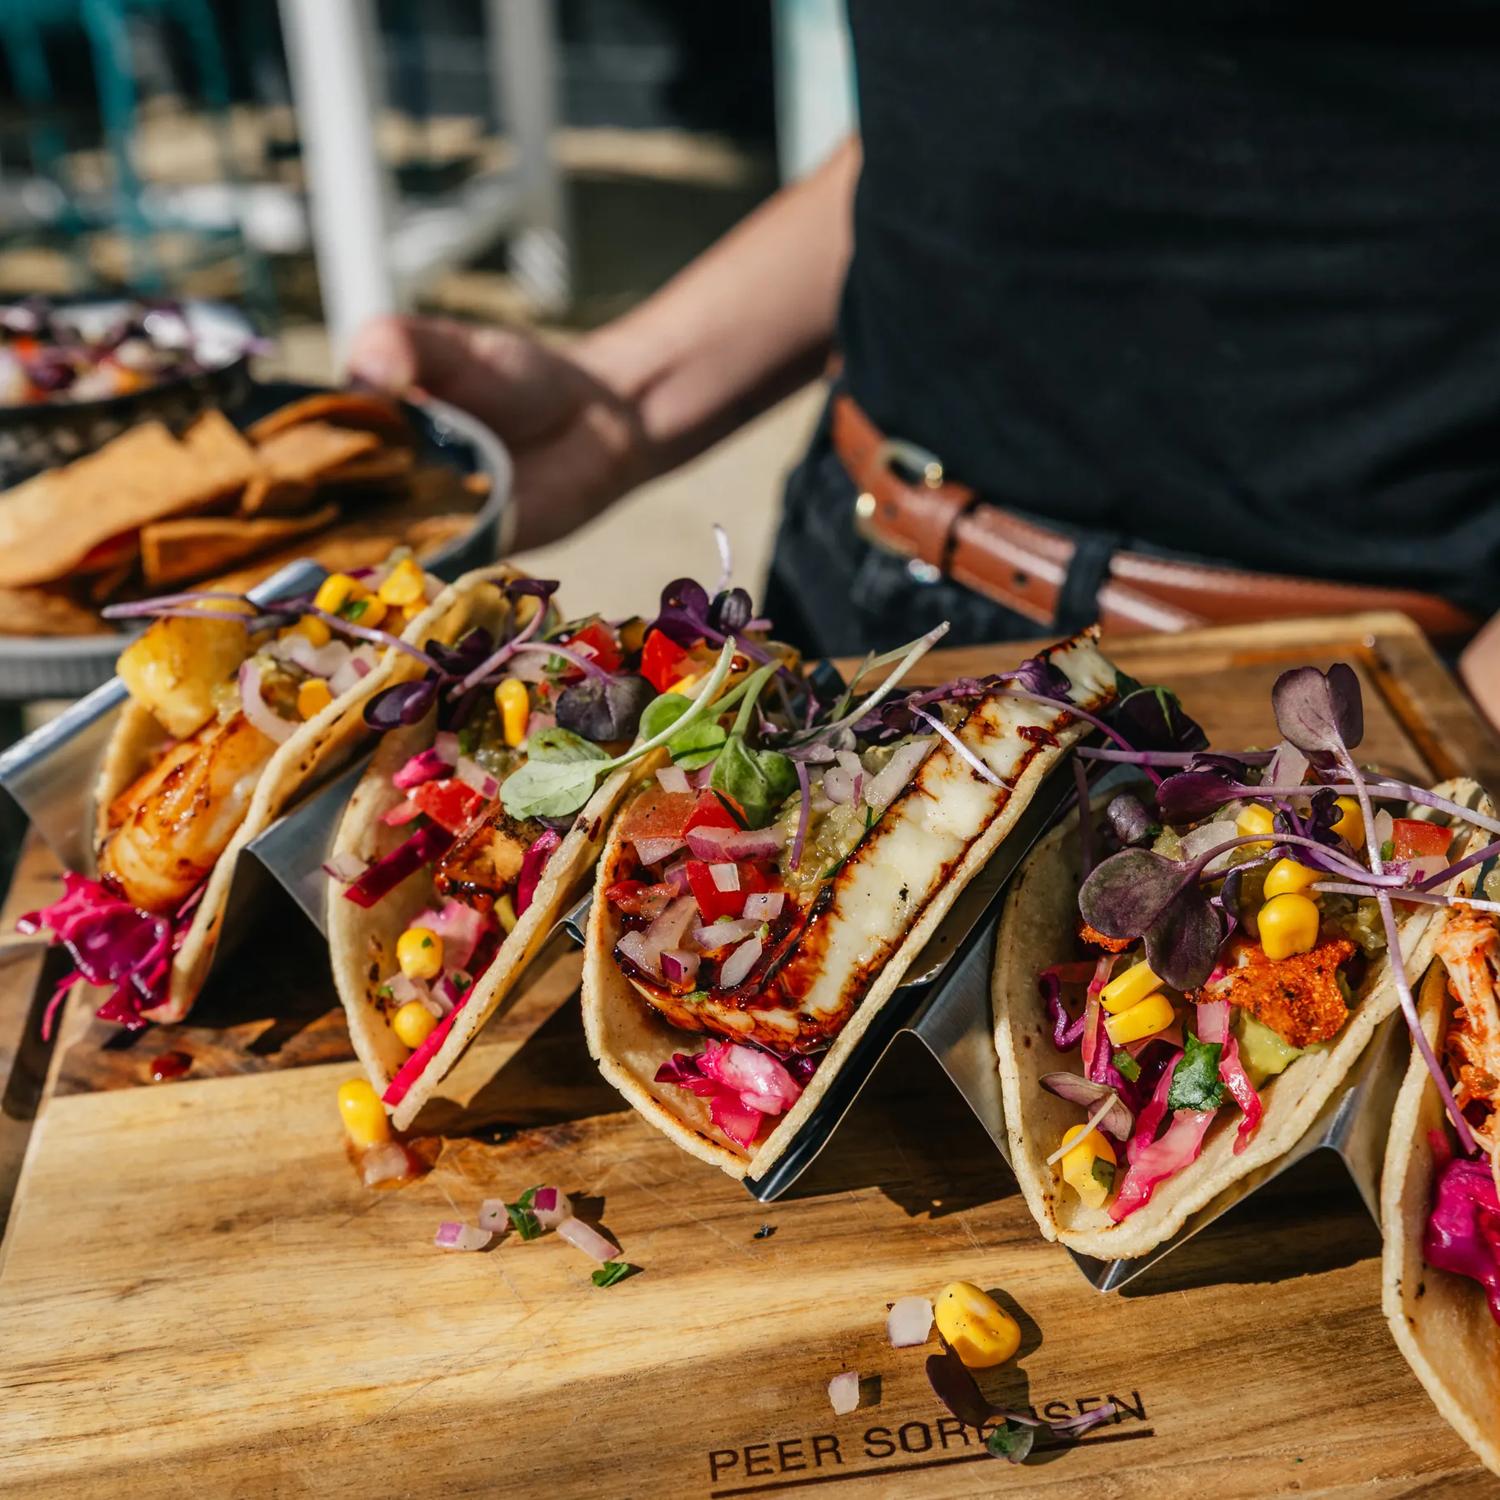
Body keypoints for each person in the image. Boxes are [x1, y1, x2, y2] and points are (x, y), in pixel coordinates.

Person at [349, 1, 1500, 719]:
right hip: (850, 584)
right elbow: (1013, 96)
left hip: (1349, 704)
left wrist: (1465, 741)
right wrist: (625, 398)